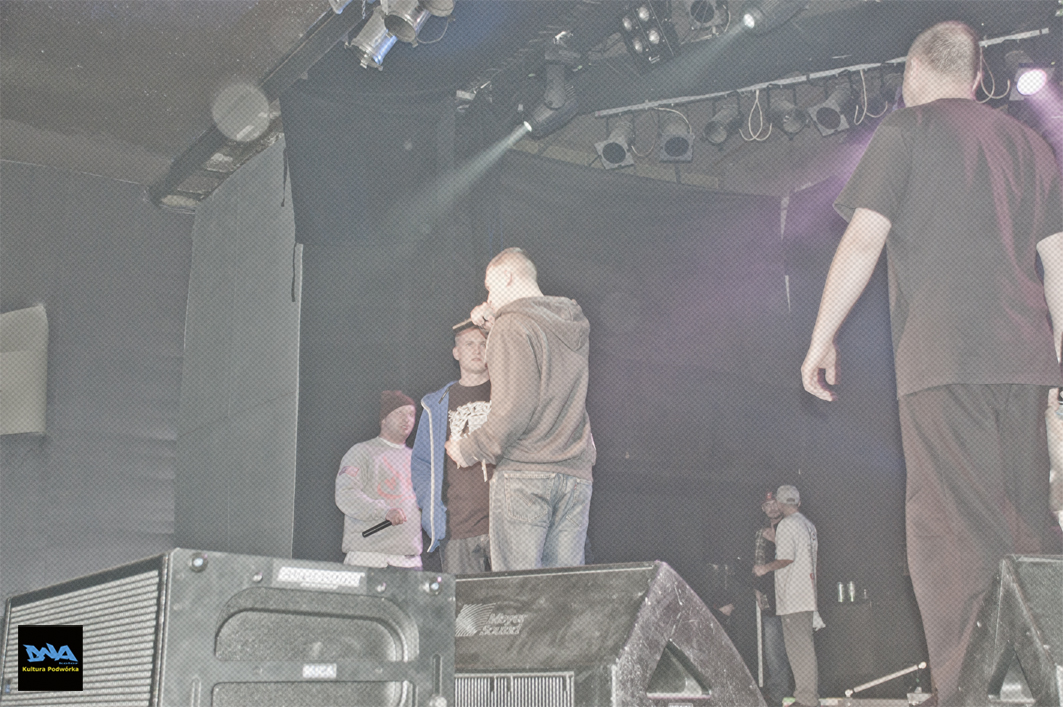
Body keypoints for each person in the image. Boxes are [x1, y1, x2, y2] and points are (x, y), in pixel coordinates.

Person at [800, 20, 1063, 705]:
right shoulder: (1031, 144)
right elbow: (1058, 260)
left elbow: (863, 239)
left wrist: (821, 336)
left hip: (943, 360)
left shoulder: (905, 132)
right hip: (1027, 363)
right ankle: (1041, 684)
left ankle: (973, 692)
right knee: (1028, 531)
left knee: (952, 537)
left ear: (912, 74)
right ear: (976, 78)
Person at [445, 247, 595, 571]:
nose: (488, 298)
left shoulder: (511, 326)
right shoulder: (571, 323)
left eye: (489, 287)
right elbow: (542, 364)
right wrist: (495, 325)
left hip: (526, 474)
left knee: (518, 591)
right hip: (575, 475)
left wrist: (467, 449)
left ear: (507, 277)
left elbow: (513, 409)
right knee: (563, 589)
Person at [411, 321, 493, 574]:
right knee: (465, 601)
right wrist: (432, 511)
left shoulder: (508, 395)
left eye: (483, 344)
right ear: (456, 352)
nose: (477, 350)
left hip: (507, 525)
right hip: (458, 528)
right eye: (469, 344)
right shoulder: (436, 404)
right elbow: (421, 464)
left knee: (514, 598)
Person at [335, 390, 422, 569]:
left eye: (411, 414)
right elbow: (346, 494)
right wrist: (383, 511)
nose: (407, 419)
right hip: (369, 557)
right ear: (383, 419)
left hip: (409, 560)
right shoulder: (361, 452)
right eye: (399, 412)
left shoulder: (418, 460)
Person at [753, 485, 819, 707]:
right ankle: (806, 696)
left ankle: (806, 699)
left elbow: (786, 558)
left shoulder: (787, 524)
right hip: (806, 595)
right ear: (798, 503)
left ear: (780, 504)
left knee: (799, 650)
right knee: (803, 648)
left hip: (793, 597)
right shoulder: (807, 524)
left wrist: (764, 568)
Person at [753, 491, 794, 707]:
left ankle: (802, 693)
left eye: (774, 503)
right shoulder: (761, 533)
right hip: (770, 599)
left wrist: (776, 540)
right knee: (773, 652)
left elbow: (794, 557)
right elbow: (757, 563)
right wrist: (758, 592)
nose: (771, 508)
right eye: (767, 505)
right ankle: (779, 697)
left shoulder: (791, 526)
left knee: (794, 649)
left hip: (791, 598)